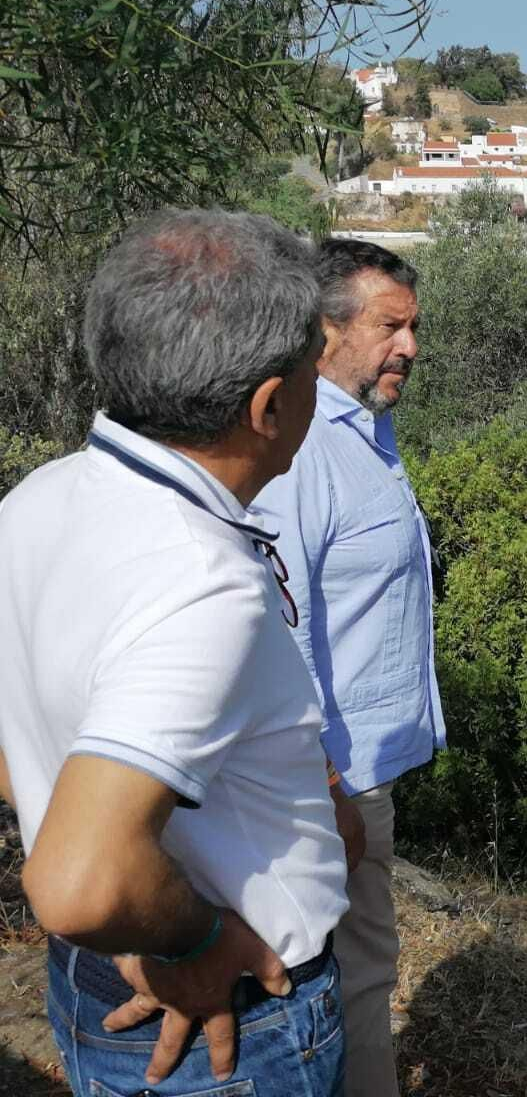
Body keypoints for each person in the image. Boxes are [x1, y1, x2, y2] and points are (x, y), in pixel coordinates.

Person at [0, 210, 349, 1096]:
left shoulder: (42, 498)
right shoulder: (201, 579)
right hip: (223, 1011)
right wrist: (191, 942)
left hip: (97, 979)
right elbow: (80, 881)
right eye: (315, 365)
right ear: (270, 404)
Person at [256, 237, 445, 1097]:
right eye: (390, 327)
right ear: (324, 331)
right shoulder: (299, 452)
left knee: (356, 966)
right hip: (330, 780)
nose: (409, 345)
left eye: (413, 327)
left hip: (356, 769)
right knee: (354, 976)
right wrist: (328, 789)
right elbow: (280, 634)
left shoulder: (368, 427)